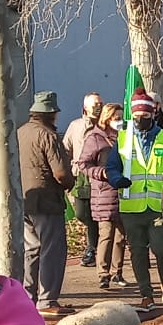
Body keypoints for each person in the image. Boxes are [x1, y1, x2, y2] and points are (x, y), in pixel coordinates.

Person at [116, 91, 163, 305]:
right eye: (137, 115)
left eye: (145, 115)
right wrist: (113, 177)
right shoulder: (123, 138)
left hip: (158, 205)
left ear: (153, 114)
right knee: (138, 252)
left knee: (161, 248)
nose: (141, 119)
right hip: (131, 205)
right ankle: (146, 294)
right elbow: (113, 165)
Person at [17, 91, 72, 317]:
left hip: (23, 200)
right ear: (52, 114)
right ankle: (47, 299)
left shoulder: (19, 132)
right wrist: (71, 182)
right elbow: (60, 173)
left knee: (31, 250)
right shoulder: (48, 135)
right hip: (47, 201)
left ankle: (27, 296)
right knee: (52, 250)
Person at [76, 101, 126, 290]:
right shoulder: (95, 138)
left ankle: (117, 272)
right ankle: (103, 273)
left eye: (122, 118)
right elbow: (83, 163)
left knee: (121, 236)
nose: (120, 122)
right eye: (117, 118)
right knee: (106, 234)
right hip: (104, 193)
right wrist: (101, 173)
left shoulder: (125, 137)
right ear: (108, 118)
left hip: (123, 191)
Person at [63, 93, 102, 268]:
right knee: (81, 213)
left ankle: (92, 248)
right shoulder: (76, 126)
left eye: (101, 103)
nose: (99, 107)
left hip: (100, 175)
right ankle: (96, 241)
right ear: (85, 107)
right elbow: (66, 148)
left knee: (98, 214)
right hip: (81, 176)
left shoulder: (105, 125)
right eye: (95, 104)